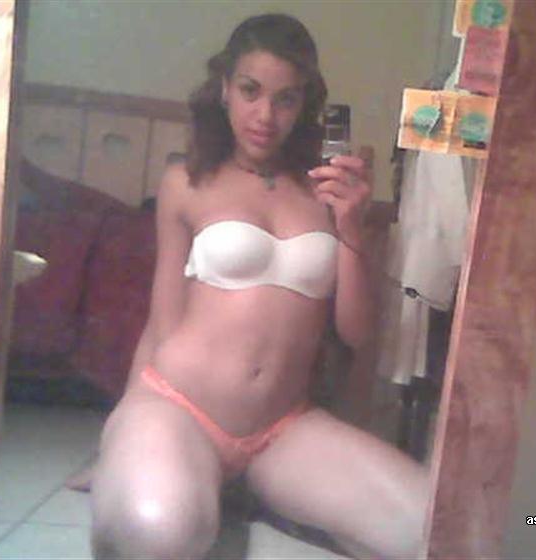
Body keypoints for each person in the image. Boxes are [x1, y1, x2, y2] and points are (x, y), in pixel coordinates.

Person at [90, 14, 428, 560]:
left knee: (431, 526)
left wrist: (352, 226)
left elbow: (357, 333)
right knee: (158, 536)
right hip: (178, 406)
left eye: (285, 99)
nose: (265, 116)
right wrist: (121, 434)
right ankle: (179, 473)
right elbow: (162, 322)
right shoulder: (186, 182)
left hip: (283, 429)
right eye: (250, 91)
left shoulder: (327, 194)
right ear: (225, 88)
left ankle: (239, 489)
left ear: (305, 104)